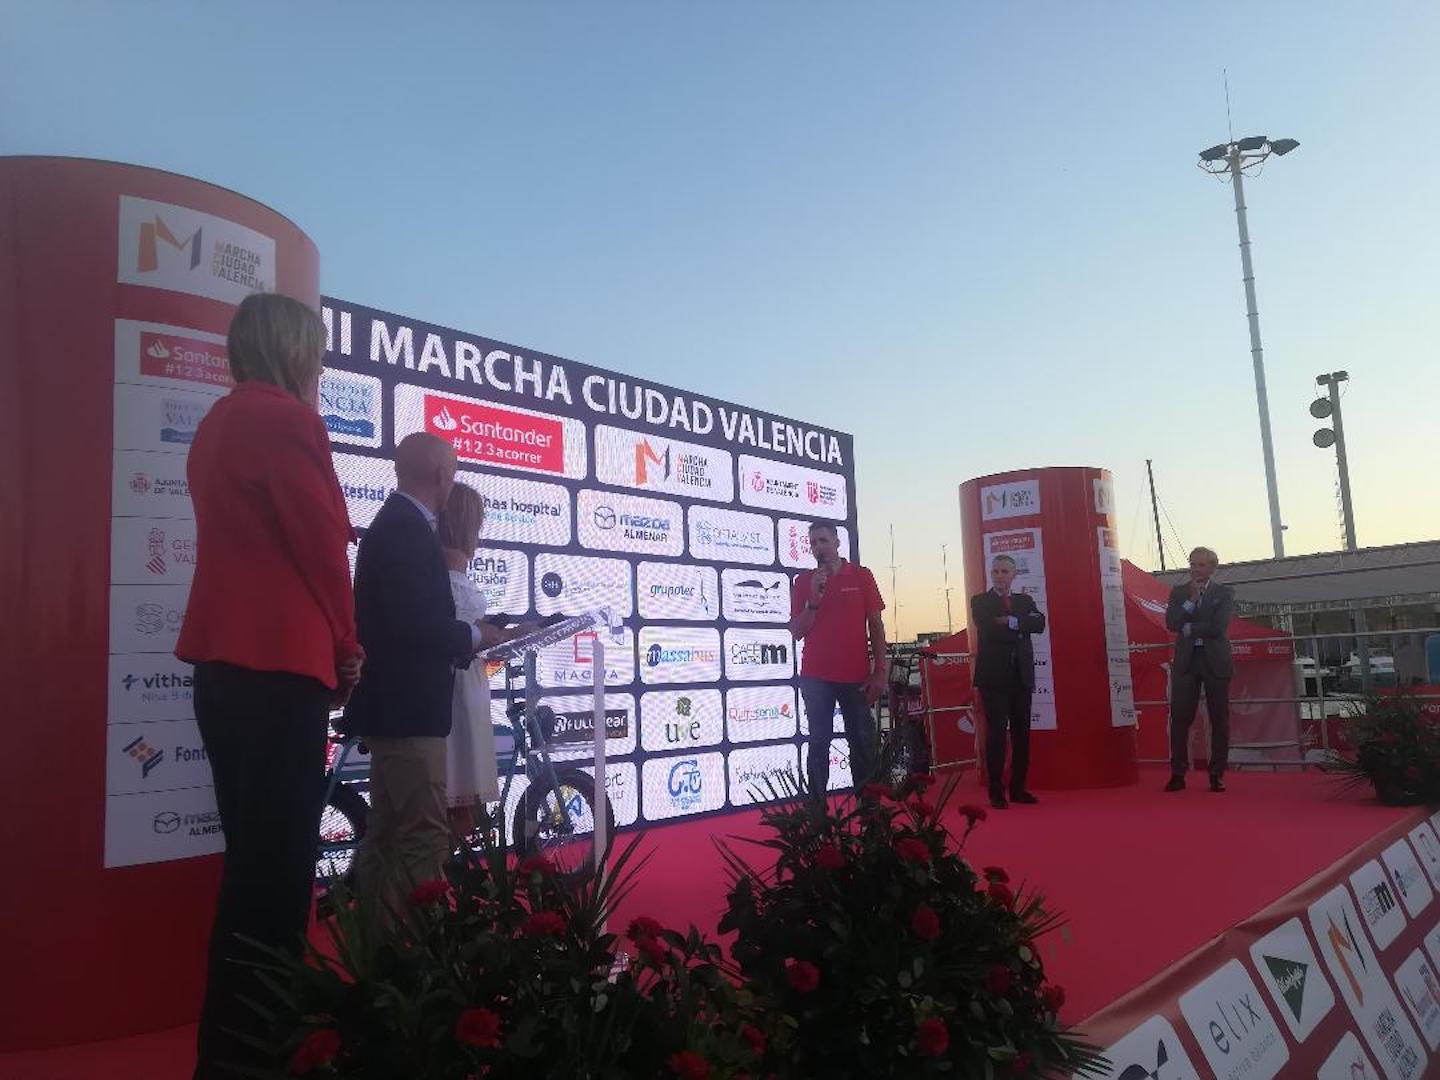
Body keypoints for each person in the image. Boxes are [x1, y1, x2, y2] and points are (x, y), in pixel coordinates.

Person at [176, 292, 363, 1080]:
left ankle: (229, 1053)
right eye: (315, 352)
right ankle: (264, 1053)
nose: (319, 367)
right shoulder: (288, 421)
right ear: (294, 351)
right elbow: (322, 544)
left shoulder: (216, 425)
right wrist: (348, 646)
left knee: (251, 868)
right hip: (279, 667)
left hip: (222, 671)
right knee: (280, 876)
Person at [344, 433, 479, 908]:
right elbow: (418, 626)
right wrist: (477, 637)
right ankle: (418, 948)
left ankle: (376, 944)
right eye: (453, 473)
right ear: (442, 475)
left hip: (395, 712)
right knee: (424, 838)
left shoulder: (398, 522)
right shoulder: (406, 528)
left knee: (385, 836)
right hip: (409, 713)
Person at [436, 482, 534, 836]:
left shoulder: (444, 562)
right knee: (455, 814)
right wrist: (510, 634)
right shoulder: (449, 563)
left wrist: (503, 633)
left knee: (457, 813)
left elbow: (463, 627)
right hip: (455, 694)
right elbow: (459, 631)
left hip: (464, 688)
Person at [790, 522, 888, 799]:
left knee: (862, 744)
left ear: (837, 541)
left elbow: (876, 625)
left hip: (856, 676)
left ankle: (869, 814)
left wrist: (880, 671)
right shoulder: (803, 582)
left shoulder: (861, 576)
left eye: (823, 540)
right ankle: (816, 815)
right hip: (816, 677)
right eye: (813, 543)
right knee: (818, 744)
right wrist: (813, 600)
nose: (817, 547)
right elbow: (797, 631)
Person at [970, 555, 1046, 810]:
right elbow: (989, 629)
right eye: (996, 571)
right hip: (994, 678)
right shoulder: (981, 601)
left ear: (1014, 575)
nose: (999, 576)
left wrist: (1011, 622)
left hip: (1021, 676)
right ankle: (996, 791)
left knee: (1022, 733)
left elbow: (1040, 624)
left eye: (1004, 571)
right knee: (997, 735)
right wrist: (1021, 628)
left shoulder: (1025, 601)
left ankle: (1018, 789)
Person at [1164, 546, 1234, 793]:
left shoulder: (1224, 593)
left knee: (1219, 719)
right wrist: (1191, 602)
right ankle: (1178, 773)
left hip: (1215, 660)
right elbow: (1172, 622)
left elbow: (1218, 626)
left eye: (1201, 565)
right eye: (1192, 564)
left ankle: (1217, 774)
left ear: (1213, 567)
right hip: (1187, 661)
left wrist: (1189, 628)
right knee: (1180, 717)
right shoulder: (1179, 592)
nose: (1195, 569)